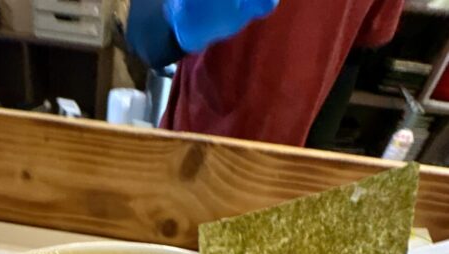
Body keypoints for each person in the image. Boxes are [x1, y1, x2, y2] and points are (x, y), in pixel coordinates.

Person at [126, 0, 404, 146]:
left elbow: (356, 49)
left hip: (285, 161)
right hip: (194, 145)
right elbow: (145, 36)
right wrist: (171, 21)